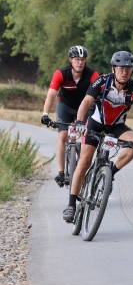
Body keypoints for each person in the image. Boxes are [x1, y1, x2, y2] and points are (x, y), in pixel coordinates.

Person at [62, 51, 133, 223]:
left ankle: (110, 173)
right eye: (121, 68)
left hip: (116, 126)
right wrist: (79, 122)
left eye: (128, 69)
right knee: (85, 161)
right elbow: (86, 102)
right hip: (95, 123)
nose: (125, 72)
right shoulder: (102, 81)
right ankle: (71, 205)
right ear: (113, 69)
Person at [41, 46, 100, 187]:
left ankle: (84, 165)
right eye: (77, 60)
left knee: (87, 137)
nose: (80, 63)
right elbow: (51, 94)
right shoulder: (61, 74)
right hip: (65, 107)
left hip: (84, 108)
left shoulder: (92, 75)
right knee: (62, 137)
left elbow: (100, 95)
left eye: (83, 60)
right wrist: (45, 114)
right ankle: (61, 172)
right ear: (71, 60)